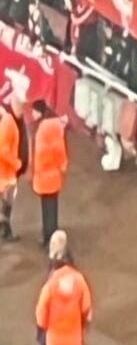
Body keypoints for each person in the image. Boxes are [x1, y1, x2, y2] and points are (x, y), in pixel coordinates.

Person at [30, 103, 67, 245]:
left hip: (46, 174)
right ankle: (48, 234)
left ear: (39, 112)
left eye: (34, 112)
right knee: (49, 206)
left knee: (48, 207)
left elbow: (48, 152)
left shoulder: (46, 127)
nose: (32, 115)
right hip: (49, 175)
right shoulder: (50, 126)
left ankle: (50, 236)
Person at [0, 100, 22, 242]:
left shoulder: (6, 122)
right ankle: (6, 232)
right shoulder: (9, 124)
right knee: (7, 204)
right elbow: (3, 150)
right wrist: (16, 164)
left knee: (5, 204)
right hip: (6, 173)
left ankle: (6, 232)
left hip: (5, 172)